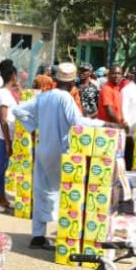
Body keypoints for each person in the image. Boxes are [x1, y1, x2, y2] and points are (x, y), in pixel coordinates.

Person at [13, 63, 110, 249]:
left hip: (43, 149)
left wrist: (34, 126)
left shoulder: (44, 96)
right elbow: (76, 121)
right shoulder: (65, 97)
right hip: (62, 151)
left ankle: (38, 236)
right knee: (67, 191)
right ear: (72, 82)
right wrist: (103, 125)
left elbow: (18, 110)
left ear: (56, 80)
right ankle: (67, 234)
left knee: (41, 190)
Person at [0, 64, 18, 213]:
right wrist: (7, 142)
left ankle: (2, 197)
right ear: (13, 75)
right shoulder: (4, 94)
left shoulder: (6, 93)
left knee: (2, 169)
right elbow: (3, 120)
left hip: (6, 136)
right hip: (3, 136)